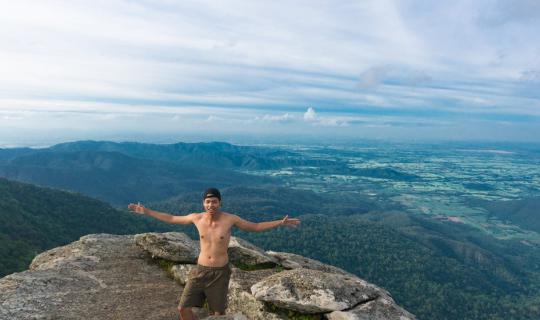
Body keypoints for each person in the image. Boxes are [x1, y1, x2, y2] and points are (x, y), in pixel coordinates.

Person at [128, 187, 301, 320]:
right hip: (200, 270)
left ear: (220, 203)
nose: (211, 205)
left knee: (218, 313)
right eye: (208, 202)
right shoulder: (197, 218)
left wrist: (280, 222)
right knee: (183, 308)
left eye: (215, 202)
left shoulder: (230, 219)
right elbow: (172, 218)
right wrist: (147, 211)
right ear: (203, 203)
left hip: (220, 272)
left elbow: (255, 227)